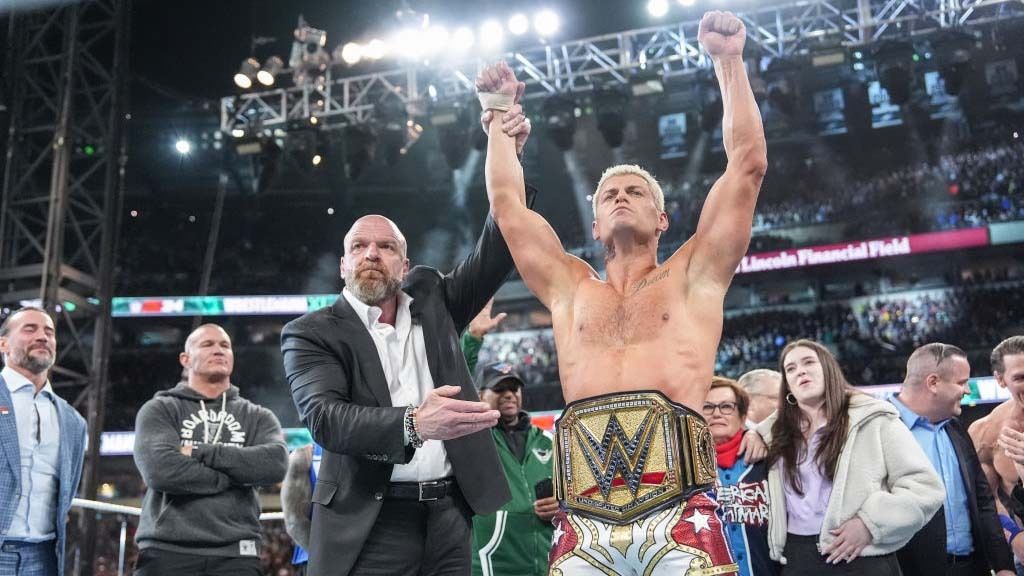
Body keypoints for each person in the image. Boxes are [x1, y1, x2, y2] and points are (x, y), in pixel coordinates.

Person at [478, 10, 767, 574]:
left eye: (635, 191)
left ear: (662, 220)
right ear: (593, 226)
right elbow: (508, 208)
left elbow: (747, 167)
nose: (619, 197)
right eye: (608, 193)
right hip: (582, 517)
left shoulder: (694, 275)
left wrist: (729, 62)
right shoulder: (569, 289)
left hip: (680, 510)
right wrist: (494, 116)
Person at [279, 109, 538, 576]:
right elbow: (326, 419)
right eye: (359, 246)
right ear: (343, 265)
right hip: (372, 518)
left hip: (448, 514)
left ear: (404, 263)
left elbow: (499, 248)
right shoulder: (311, 332)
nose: (372, 254)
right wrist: (416, 424)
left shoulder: (434, 299)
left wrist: (509, 157)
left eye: (386, 247)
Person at [281, 303, 507, 576]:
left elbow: (455, 380)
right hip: (349, 546)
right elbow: (294, 519)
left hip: (445, 519)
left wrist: (471, 339)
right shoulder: (305, 455)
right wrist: (331, 553)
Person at [758, 339, 944, 575]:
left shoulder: (874, 419)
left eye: (808, 362)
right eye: (791, 369)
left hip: (860, 556)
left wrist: (869, 523)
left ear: (829, 369)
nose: (800, 371)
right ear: (787, 387)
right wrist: (757, 434)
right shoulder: (774, 434)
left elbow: (925, 487)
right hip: (797, 559)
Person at [133, 323, 288, 576]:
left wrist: (197, 452)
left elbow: (275, 464)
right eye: (207, 344)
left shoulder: (258, 416)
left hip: (236, 553)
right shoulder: (160, 408)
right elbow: (160, 471)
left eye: (225, 345)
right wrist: (237, 476)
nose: (218, 350)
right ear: (185, 359)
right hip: (166, 551)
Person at [892, 343, 1014, 576]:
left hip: (971, 567)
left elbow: (983, 502)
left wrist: (1003, 565)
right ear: (933, 383)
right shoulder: (880, 428)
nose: (967, 390)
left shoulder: (956, 429)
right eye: (961, 382)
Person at [0, 307, 87, 576]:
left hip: (43, 556)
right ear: (3, 343)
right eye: (30, 329)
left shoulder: (73, 421)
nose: (42, 336)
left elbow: (67, 490)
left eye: (49, 331)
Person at [471, 363, 556, 576]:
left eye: (514, 389)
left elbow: (576, 494)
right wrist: (472, 338)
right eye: (500, 389)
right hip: (494, 561)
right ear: (480, 395)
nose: (509, 395)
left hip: (547, 559)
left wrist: (563, 506)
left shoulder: (548, 441)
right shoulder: (473, 439)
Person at [706, 376, 780, 576]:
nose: (717, 414)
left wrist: (763, 434)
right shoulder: (684, 469)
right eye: (708, 407)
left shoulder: (769, 459)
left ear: (742, 415)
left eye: (726, 406)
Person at [968, 335, 1024, 567]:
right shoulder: (985, 433)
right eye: (1020, 378)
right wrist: (1015, 536)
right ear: (1000, 380)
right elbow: (987, 500)